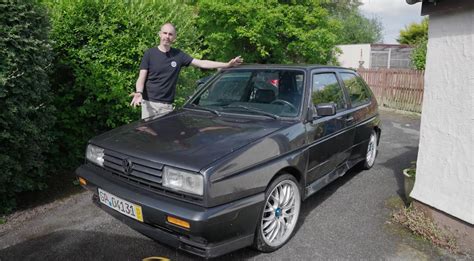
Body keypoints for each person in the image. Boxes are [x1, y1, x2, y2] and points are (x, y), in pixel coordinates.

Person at [130, 23, 243, 119]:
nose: (167, 36)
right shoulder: (150, 54)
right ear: (160, 34)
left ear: (174, 38)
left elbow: (201, 63)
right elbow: (141, 77)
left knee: (164, 139)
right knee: (148, 138)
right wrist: (139, 92)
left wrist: (227, 64)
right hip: (149, 104)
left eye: (170, 34)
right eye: (165, 33)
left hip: (166, 106)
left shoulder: (178, 55)